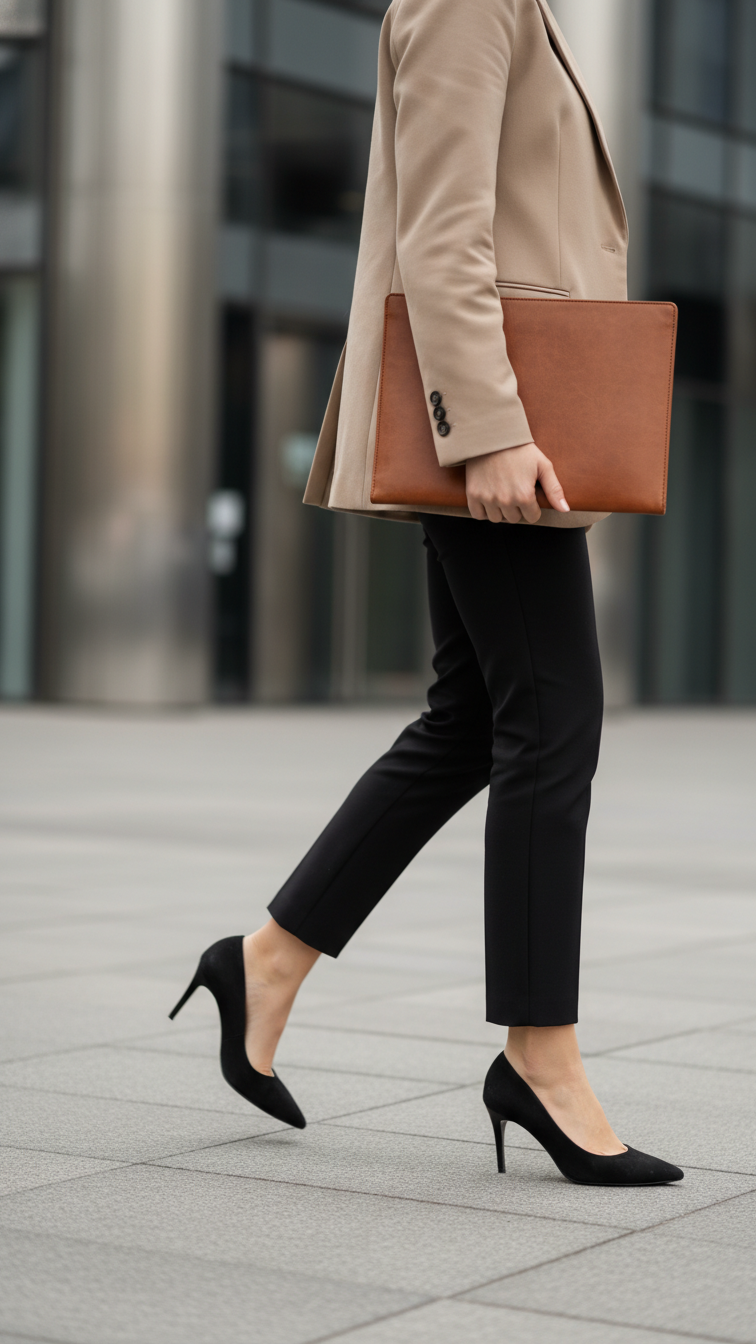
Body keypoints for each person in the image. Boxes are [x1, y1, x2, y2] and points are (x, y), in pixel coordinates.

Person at [171, 0, 683, 1186]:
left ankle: (267, 963)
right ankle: (540, 1054)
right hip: (502, 433)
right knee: (553, 721)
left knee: (471, 720)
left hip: (508, 420)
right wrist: (488, 431)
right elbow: (440, 231)